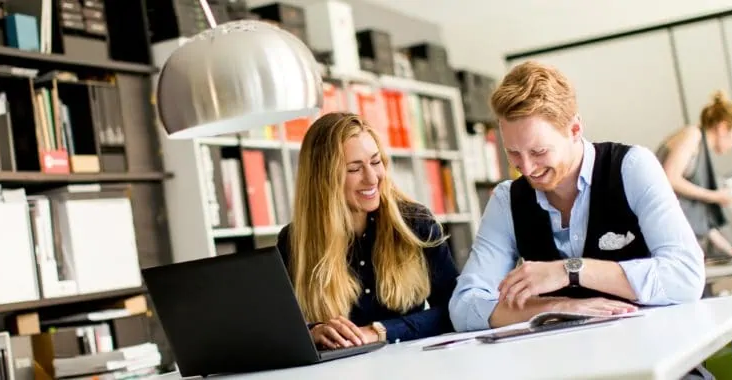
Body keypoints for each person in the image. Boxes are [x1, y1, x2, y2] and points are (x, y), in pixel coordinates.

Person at [448, 61, 706, 332]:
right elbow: (465, 306)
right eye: (512, 153)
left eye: (538, 152)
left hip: (658, 349)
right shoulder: (506, 201)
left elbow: (685, 277)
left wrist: (569, 270)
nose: (525, 167)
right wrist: (555, 308)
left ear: (574, 130)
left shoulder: (632, 167)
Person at [275, 112, 459, 349]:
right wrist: (312, 332)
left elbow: (456, 311)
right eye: (354, 169)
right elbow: (278, 329)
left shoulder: (416, 224)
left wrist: (378, 331)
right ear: (323, 180)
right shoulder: (293, 242)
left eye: (375, 162)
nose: (372, 178)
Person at [655, 91, 732, 257]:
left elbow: (698, 217)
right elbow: (670, 177)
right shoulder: (692, 135)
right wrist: (715, 196)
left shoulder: (703, 154)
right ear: (723, 127)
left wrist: (730, 251)